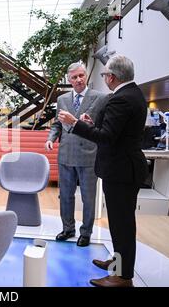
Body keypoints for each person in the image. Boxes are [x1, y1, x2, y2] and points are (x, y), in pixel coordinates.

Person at [58, 55, 148, 287]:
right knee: (119, 223)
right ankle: (117, 263)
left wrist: (75, 123)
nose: (104, 78)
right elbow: (113, 132)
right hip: (123, 169)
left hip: (121, 171)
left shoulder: (121, 99)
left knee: (123, 225)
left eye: (105, 74)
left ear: (113, 77)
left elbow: (107, 138)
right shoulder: (132, 94)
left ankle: (122, 277)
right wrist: (91, 124)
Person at [46, 62, 107, 247]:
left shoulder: (100, 98)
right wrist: (51, 138)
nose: (79, 79)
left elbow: (103, 126)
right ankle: (68, 228)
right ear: (69, 80)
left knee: (88, 197)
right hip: (65, 155)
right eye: (74, 77)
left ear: (86, 76)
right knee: (65, 195)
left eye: (81, 75)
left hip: (89, 155)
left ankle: (86, 232)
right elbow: (57, 123)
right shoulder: (62, 99)